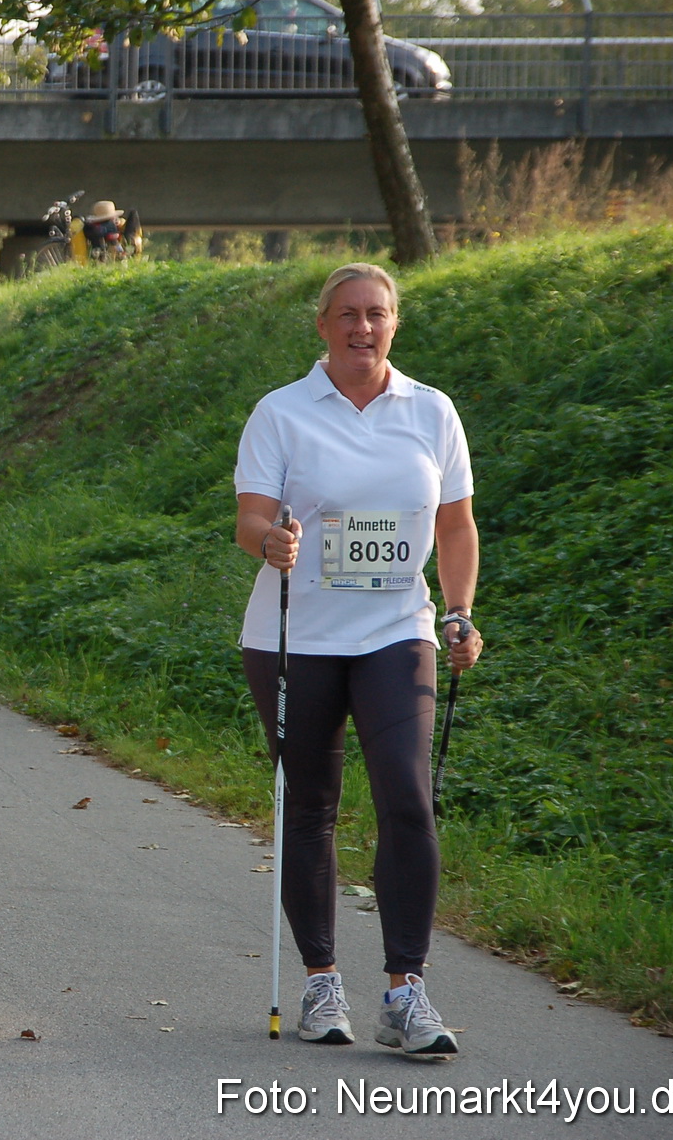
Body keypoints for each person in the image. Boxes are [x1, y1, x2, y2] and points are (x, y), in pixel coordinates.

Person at [234, 262, 482, 1056]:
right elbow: (249, 518)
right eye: (346, 313)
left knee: (407, 798)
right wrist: (270, 541)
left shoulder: (431, 410)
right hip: (295, 637)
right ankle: (321, 981)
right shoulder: (281, 412)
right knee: (309, 804)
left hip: (396, 631)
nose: (362, 327)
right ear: (322, 325)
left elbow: (455, 525)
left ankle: (406, 991)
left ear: (394, 323)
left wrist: (459, 610)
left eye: (376, 313)